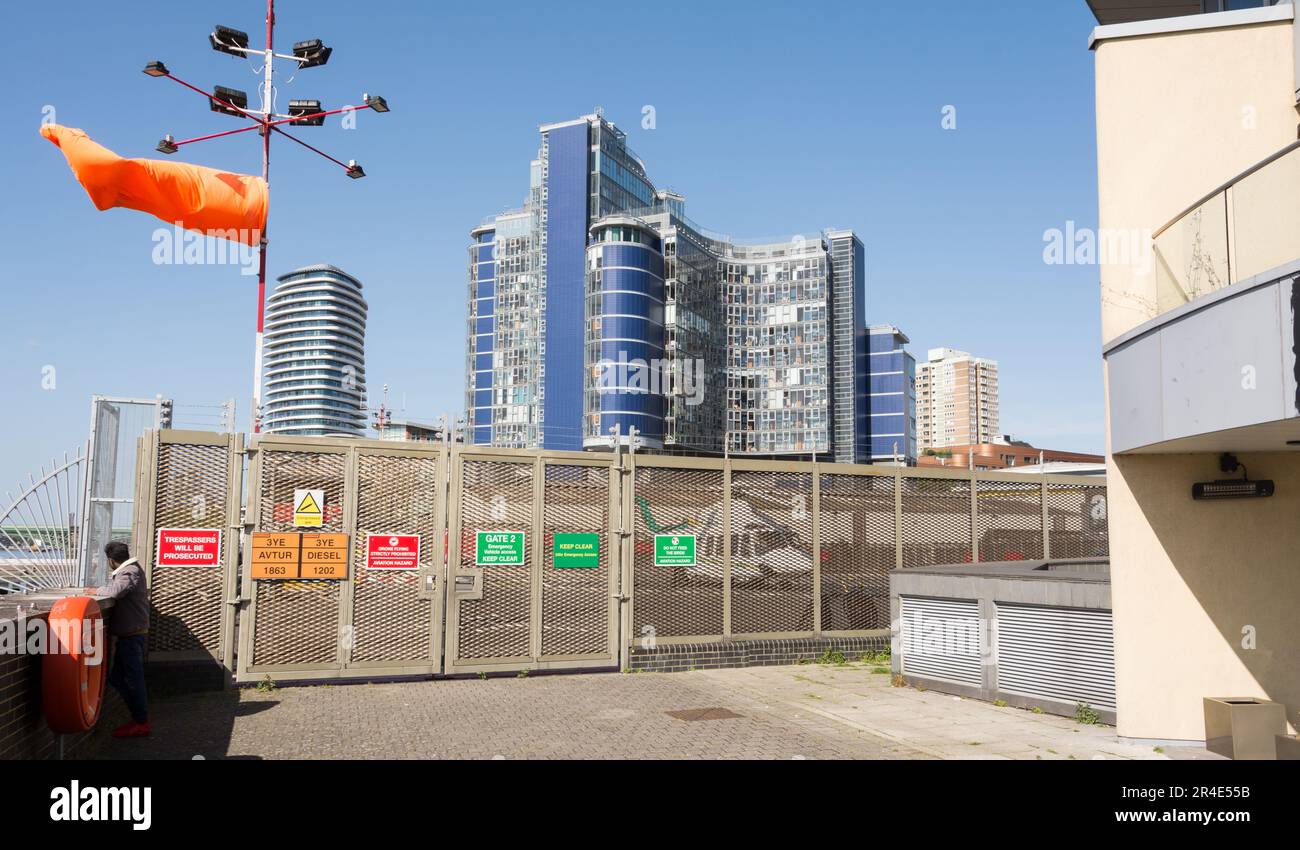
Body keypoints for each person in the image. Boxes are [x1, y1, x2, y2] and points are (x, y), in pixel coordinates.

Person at [95, 541, 150, 738]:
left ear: (111, 560)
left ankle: (141, 721)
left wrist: (94, 591)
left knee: (133, 681)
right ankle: (138, 716)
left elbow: (114, 592)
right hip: (130, 635)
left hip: (132, 637)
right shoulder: (132, 570)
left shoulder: (130, 572)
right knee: (117, 678)